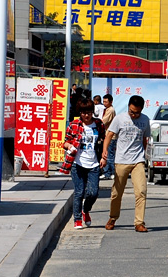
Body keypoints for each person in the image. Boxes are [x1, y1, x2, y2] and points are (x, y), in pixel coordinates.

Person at [101, 95, 151, 233]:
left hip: (138, 160)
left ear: (142, 110)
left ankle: (139, 222)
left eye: (137, 113)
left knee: (141, 191)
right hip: (121, 160)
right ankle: (113, 217)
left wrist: (144, 155)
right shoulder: (120, 119)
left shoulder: (145, 120)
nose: (134, 115)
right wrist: (104, 150)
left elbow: (145, 139)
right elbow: (109, 135)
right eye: (131, 111)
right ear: (128, 107)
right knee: (116, 193)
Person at [61, 98, 105, 229]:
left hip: (94, 164)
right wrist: (69, 146)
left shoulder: (98, 124)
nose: (86, 115)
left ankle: (85, 210)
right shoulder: (74, 124)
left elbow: (103, 140)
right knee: (79, 192)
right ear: (80, 112)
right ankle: (77, 219)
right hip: (78, 163)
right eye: (84, 112)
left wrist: (104, 156)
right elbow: (65, 142)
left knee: (93, 192)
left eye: (89, 112)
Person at [99, 94, 117, 180]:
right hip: (107, 135)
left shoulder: (110, 110)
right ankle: (109, 172)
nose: (104, 103)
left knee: (108, 155)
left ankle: (109, 173)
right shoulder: (107, 109)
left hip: (110, 136)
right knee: (108, 154)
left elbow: (103, 121)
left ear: (111, 102)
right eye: (103, 101)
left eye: (106, 102)